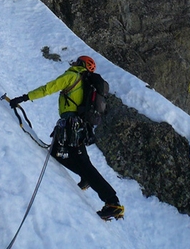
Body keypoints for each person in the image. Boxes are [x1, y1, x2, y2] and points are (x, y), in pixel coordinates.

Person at [10, 55, 124, 220]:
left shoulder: (73, 76)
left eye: (78, 61)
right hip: (78, 126)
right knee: (57, 152)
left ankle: (112, 202)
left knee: (83, 163)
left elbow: (48, 88)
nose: (74, 63)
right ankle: (87, 179)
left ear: (81, 64)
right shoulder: (86, 82)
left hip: (71, 125)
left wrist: (24, 97)